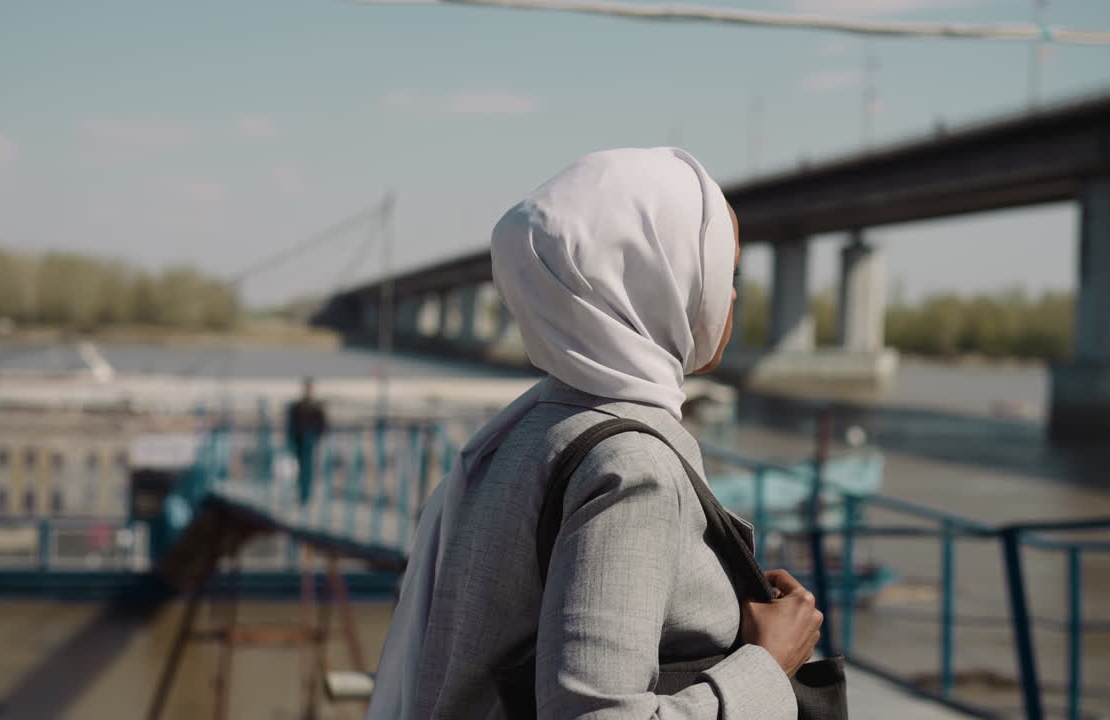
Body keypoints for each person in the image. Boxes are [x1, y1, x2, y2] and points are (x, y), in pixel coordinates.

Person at [369, 148, 821, 719]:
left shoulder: (523, 431)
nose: (732, 295)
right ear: (658, 279)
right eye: (723, 271)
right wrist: (768, 666)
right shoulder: (633, 466)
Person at [286, 377, 328, 505]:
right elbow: (291, 424)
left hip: (309, 439)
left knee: (307, 467)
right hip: (300, 439)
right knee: (302, 467)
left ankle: (305, 495)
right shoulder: (298, 405)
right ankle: (303, 494)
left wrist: (319, 436)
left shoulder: (315, 406)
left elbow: (322, 423)